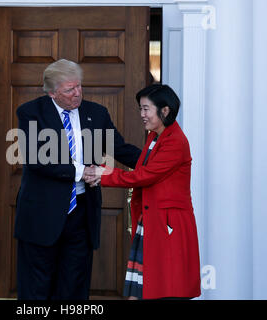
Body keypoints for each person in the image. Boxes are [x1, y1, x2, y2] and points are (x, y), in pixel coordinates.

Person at [14, 59, 142, 300]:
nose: (77, 93)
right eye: (69, 89)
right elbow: (37, 159)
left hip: (81, 214)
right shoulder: (31, 113)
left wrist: (154, 161)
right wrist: (82, 171)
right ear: (52, 92)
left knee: (74, 285)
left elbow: (120, 148)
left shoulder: (96, 113)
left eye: (79, 86)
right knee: (37, 288)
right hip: (42, 214)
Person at [85, 84, 201, 300]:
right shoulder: (154, 136)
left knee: (164, 291)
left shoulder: (175, 141)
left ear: (164, 111)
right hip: (152, 221)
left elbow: (145, 176)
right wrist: (108, 171)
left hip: (168, 227)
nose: (142, 115)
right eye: (141, 109)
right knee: (141, 292)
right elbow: (143, 171)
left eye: (146, 109)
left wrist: (105, 175)